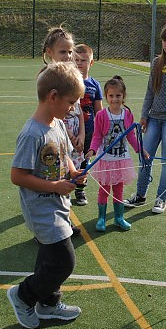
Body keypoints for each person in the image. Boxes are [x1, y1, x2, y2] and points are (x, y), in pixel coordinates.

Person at [8, 61, 87, 329]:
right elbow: (17, 176)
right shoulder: (32, 133)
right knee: (63, 261)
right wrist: (55, 186)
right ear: (53, 96)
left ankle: (49, 303)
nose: (73, 108)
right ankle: (23, 296)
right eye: (71, 102)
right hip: (42, 210)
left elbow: (64, 156)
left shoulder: (58, 124)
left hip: (58, 205)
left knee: (48, 258)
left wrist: (73, 172)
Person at [123, 20, 166, 214]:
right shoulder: (157, 63)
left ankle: (161, 199)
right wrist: (144, 116)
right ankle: (140, 195)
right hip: (154, 119)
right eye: (164, 40)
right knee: (145, 156)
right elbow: (150, 91)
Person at [85, 76, 143, 232]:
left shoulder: (127, 114)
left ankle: (119, 217)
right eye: (111, 96)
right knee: (104, 190)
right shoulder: (101, 115)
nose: (115, 99)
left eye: (118, 95)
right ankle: (101, 219)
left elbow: (131, 136)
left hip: (121, 159)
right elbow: (97, 136)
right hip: (105, 159)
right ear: (106, 96)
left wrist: (140, 149)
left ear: (123, 96)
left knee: (118, 190)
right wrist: (92, 150)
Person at [41, 26, 82, 235]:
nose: (67, 56)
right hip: (54, 133)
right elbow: (49, 109)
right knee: (52, 179)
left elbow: (78, 109)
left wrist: (80, 133)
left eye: (69, 52)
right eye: (62, 51)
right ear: (50, 52)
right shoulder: (47, 77)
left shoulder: (73, 75)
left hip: (68, 134)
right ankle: (45, 226)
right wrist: (67, 133)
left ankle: (64, 219)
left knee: (67, 175)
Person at [73, 44, 104, 207]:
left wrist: (103, 129)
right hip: (71, 129)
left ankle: (80, 189)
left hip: (90, 130)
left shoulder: (94, 85)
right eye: (76, 60)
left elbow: (99, 110)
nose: (79, 63)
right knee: (69, 158)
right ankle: (64, 189)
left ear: (91, 63)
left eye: (83, 60)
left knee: (85, 160)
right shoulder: (69, 81)